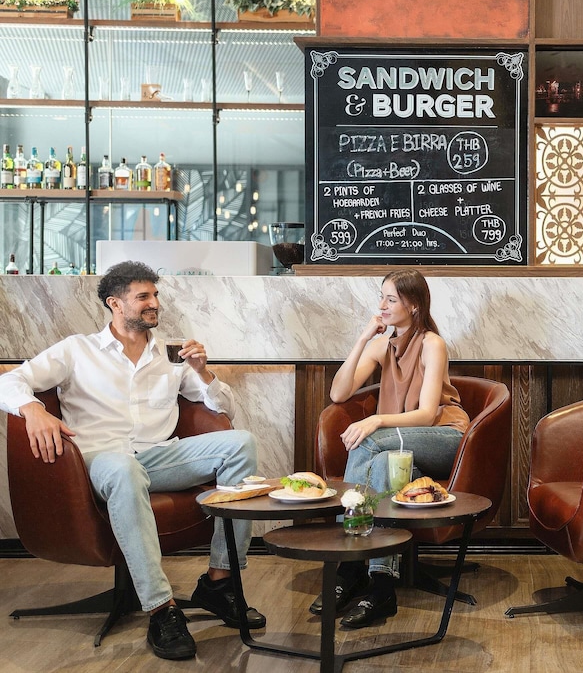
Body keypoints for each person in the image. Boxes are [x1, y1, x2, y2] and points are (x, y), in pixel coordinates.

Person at [0, 260, 265, 661]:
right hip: (98, 460)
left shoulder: (170, 354)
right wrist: (33, 409)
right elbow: (9, 380)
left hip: (158, 456)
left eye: (155, 295)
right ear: (115, 303)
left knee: (241, 443)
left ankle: (219, 581)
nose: (154, 303)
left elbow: (223, 408)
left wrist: (203, 372)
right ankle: (161, 609)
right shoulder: (77, 350)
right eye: (143, 296)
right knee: (124, 469)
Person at [313, 268, 469, 628]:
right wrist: (363, 338)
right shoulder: (382, 345)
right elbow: (338, 392)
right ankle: (381, 586)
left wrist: (377, 420)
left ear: (413, 306)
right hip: (398, 447)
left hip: (444, 437)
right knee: (383, 465)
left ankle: (348, 566)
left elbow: (427, 414)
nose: (381, 305)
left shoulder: (432, 343)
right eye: (381, 297)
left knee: (369, 440)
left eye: (391, 299)